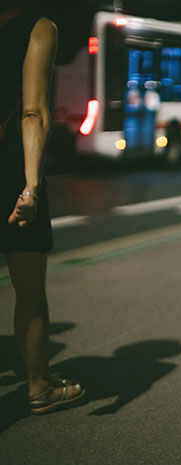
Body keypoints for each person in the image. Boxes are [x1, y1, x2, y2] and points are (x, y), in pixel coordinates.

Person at [0, 4, 84, 414]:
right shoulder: (38, 27)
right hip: (12, 167)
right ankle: (38, 387)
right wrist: (30, 189)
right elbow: (32, 112)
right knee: (29, 290)